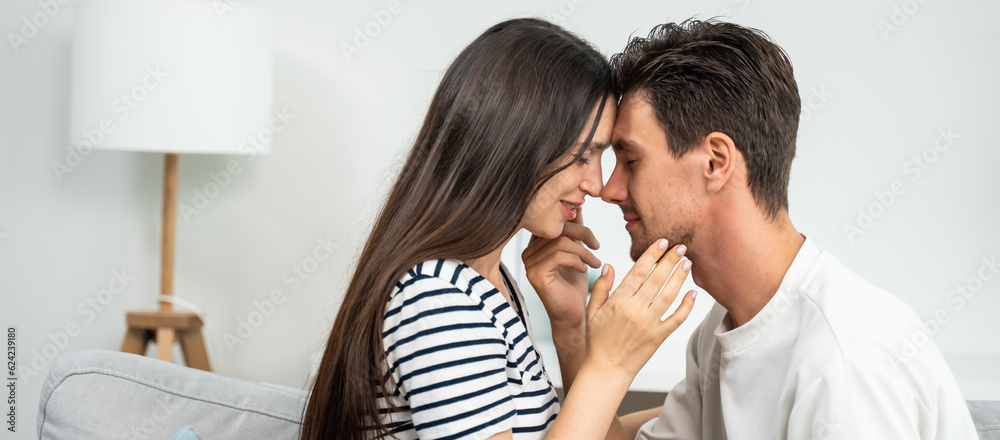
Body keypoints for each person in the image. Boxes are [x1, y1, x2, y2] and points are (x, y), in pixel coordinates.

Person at [526, 20, 978, 439]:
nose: (608, 188)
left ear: (716, 162)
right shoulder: (725, 330)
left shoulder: (843, 366)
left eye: (630, 160)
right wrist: (571, 330)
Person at [300, 18, 699, 440]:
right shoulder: (439, 300)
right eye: (585, 154)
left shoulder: (486, 285)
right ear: (519, 140)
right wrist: (611, 364)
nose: (596, 185)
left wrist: (568, 329)